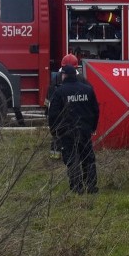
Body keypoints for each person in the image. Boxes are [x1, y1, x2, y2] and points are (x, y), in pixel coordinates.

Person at [47, 63, 100, 194]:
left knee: (72, 159)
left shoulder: (59, 92)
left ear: (64, 75)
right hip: (85, 130)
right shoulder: (87, 89)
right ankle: (91, 186)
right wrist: (92, 127)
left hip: (67, 132)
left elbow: (53, 114)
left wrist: (55, 131)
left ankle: (77, 188)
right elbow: (95, 110)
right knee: (88, 159)